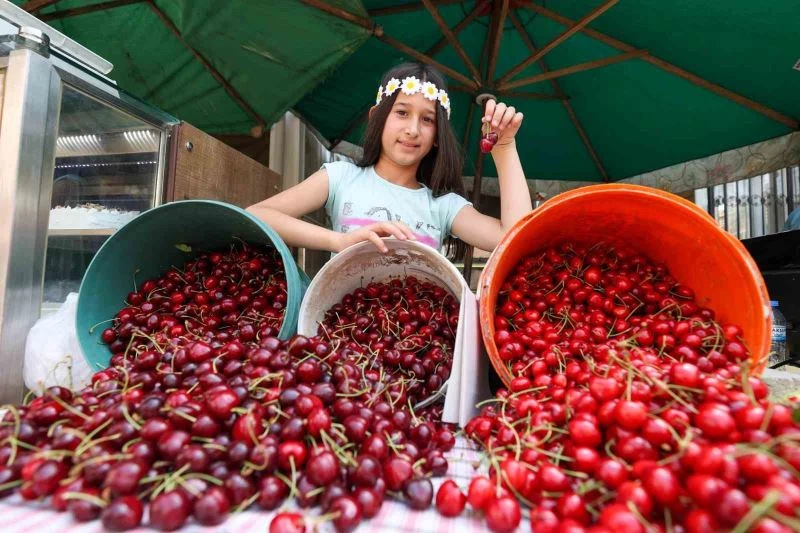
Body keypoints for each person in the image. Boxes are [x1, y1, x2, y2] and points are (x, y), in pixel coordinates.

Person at [247, 62, 532, 258]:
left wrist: (504, 147)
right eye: (402, 112)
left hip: (416, 339)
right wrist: (339, 241)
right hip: (341, 333)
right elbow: (258, 215)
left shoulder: (442, 206)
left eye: (427, 119)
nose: (412, 129)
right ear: (377, 118)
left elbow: (515, 236)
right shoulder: (341, 177)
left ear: (436, 136)